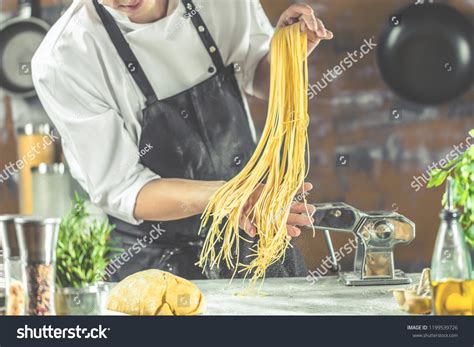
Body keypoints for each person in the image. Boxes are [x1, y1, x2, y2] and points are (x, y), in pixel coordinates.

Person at [32, 0, 333, 281]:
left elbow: (259, 78)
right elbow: (126, 188)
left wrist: (289, 51)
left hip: (252, 235)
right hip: (156, 263)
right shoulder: (65, 59)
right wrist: (229, 197)